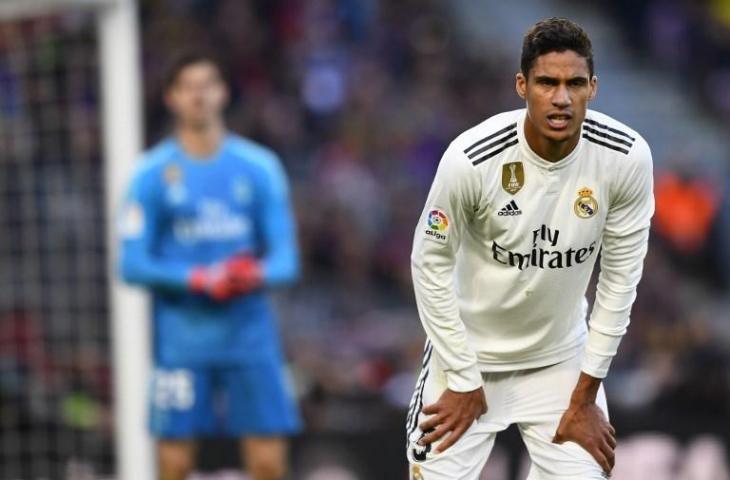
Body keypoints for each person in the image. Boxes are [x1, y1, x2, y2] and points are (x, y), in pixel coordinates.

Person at [406, 17, 653, 479]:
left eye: (575, 83)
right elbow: (428, 262)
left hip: (560, 360)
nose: (561, 98)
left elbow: (620, 279)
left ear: (593, 88)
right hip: (467, 356)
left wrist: (584, 394)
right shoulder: (472, 159)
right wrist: (461, 375)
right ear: (522, 85)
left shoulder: (624, 158)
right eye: (547, 82)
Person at [118, 52, 300, 480]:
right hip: (183, 343)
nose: (199, 95)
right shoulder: (150, 174)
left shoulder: (259, 168)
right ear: (172, 97)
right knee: (175, 464)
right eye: (189, 86)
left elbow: (286, 260)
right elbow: (131, 264)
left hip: (250, 339)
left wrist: (252, 274)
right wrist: (199, 279)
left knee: (268, 463)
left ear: (223, 92)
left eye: (208, 84)